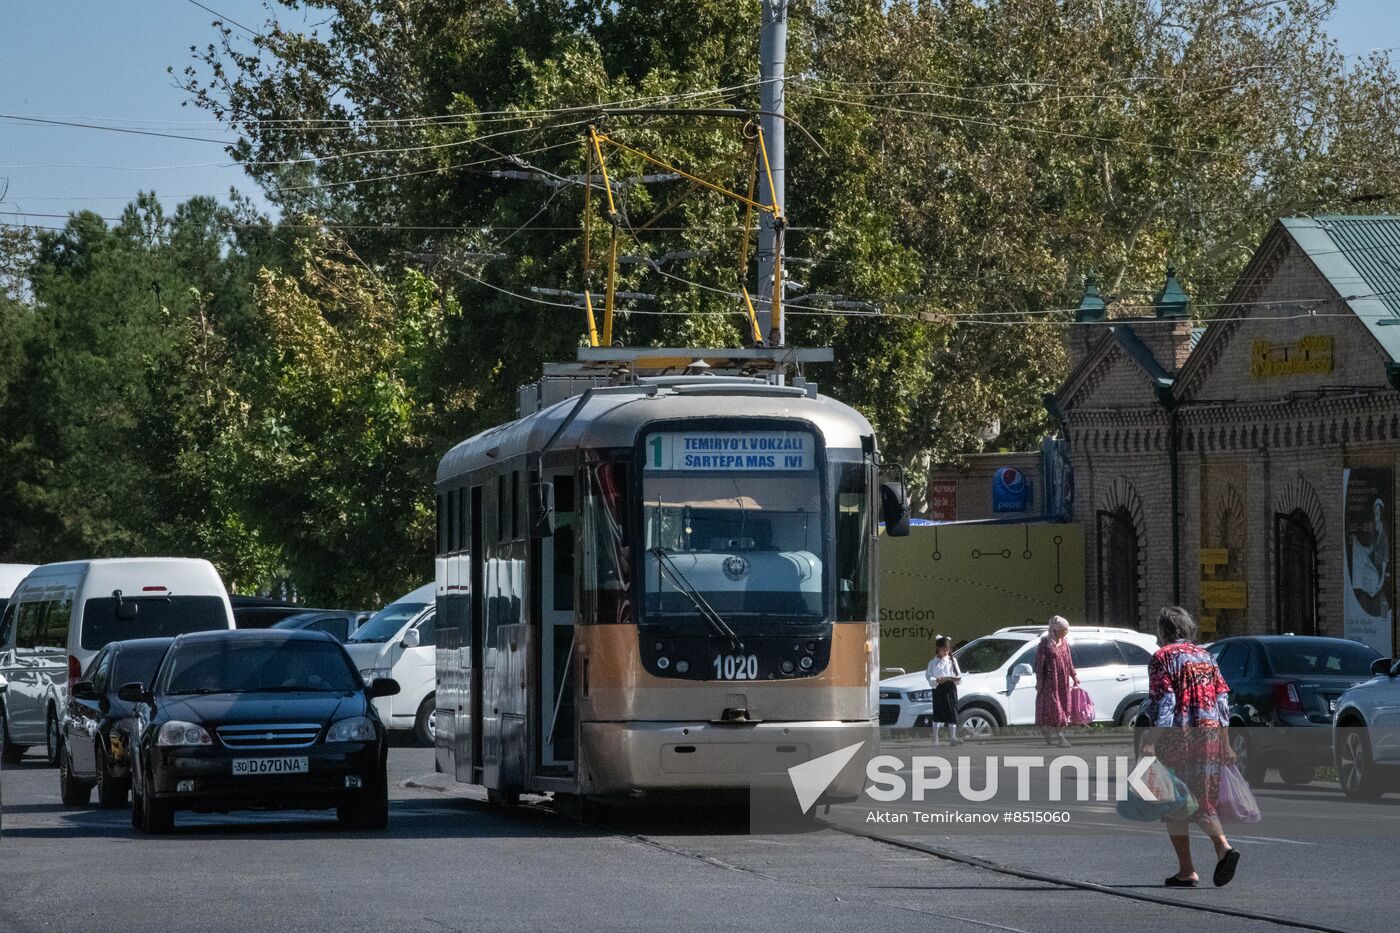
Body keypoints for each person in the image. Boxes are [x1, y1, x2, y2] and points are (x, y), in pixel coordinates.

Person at [1140, 606, 1241, 889]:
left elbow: (1166, 703)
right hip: (1208, 737)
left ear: (1163, 630)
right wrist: (1227, 744)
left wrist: (1151, 741)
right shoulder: (1206, 656)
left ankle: (1192, 867)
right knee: (1201, 799)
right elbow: (1222, 703)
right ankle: (1219, 850)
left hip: (1179, 738)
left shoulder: (1162, 658)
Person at [1034, 615, 1079, 747]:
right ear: (1055, 630)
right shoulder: (1045, 644)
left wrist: (1074, 675)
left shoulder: (1064, 643)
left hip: (1063, 682)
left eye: (1066, 630)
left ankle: (1060, 736)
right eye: (1064, 630)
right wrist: (1039, 681)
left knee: (1064, 707)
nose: (1066, 632)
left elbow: (1068, 661)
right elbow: (1039, 664)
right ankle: (1053, 734)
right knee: (1054, 708)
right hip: (1050, 682)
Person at [925, 636, 962, 746]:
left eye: (947, 650)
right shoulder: (933, 662)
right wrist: (936, 680)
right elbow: (928, 676)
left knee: (952, 712)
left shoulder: (952, 661)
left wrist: (954, 678)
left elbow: (958, 674)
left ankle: (953, 737)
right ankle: (935, 739)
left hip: (950, 688)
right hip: (939, 689)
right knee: (938, 712)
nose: (946, 652)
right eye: (943, 650)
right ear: (938, 648)